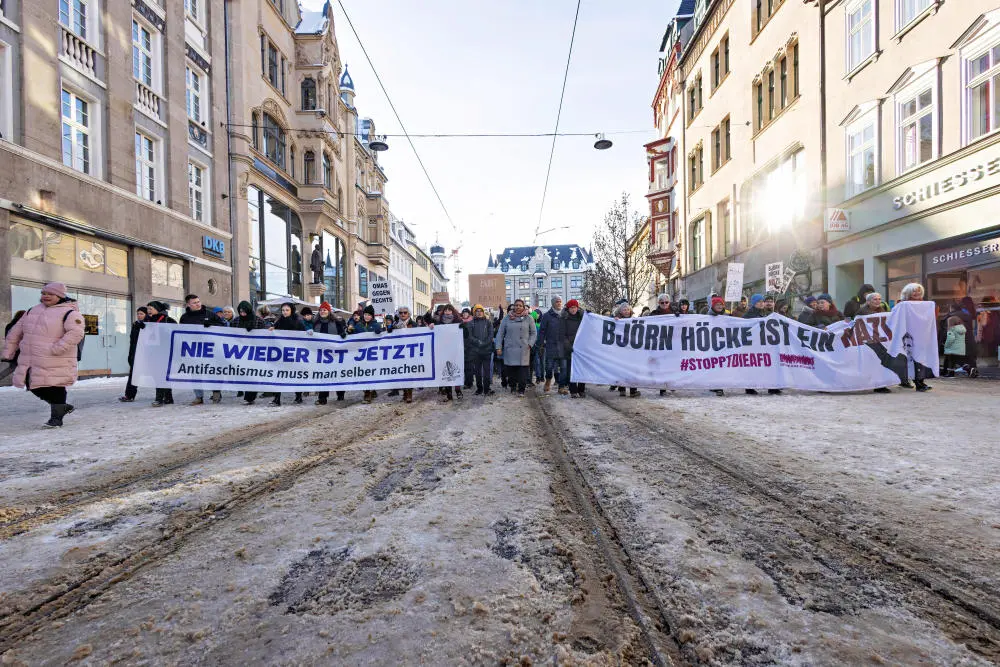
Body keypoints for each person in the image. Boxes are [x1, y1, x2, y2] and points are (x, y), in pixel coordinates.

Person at [2, 283, 85, 428]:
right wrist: (9, 351)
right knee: (32, 384)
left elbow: (76, 333)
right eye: (43, 293)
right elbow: (15, 332)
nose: (45, 296)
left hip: (56, 357)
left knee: (56, 385)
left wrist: (58, 348)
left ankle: (56, 418)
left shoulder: (70, 313)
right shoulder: (32, 310)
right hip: (32, 357)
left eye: (50, 294)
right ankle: (62, 407)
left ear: (60, 296)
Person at [180, 294, 222, 406]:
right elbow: (181, 333)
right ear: (188, 304)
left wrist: (212, 325)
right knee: (195, 372)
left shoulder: (210, 314)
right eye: (194, 303)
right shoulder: (184, 317)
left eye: (198, 301)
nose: (198, 304)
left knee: (212, 371)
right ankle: (199, 397)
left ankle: (216, 393)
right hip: (193, 349)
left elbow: (223, 326)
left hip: (209, 348)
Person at [495, 299, 536, 396]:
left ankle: (521, 389)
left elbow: (534, 333)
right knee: (511, 371)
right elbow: (500, 333)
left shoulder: (529, 318)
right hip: (510, 348)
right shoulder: (507, 318)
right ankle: (513, 386)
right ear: (513, 307)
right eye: (516, 305)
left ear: (523, 307)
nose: (518, 307)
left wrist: (530, 344)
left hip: (524, 348)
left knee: (523, 371)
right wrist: (498, 347)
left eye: (520, 305)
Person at [310, 302, 348, 404]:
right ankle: (322, 398)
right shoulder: (316, 323)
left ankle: (340, 393)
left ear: (329, 311)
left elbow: (342, 333)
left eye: (325, 310)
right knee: (323, 375)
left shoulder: (336, 322)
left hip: (334, 354)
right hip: (321, 355)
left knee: (336, 374)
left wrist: (343, 334)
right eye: (321, 310)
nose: (322, 312)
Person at [897, 283, 932, 392]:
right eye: (914, 291)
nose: (917, 293)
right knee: (912, 360)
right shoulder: (902, 304)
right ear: (908, 292)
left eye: (918, 291)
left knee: (921, 360)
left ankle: (921, 381)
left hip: (922, 336)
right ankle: (917, 382)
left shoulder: (925, 304)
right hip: (908, 337)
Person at [269, 303, 306, 406]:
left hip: (293, 353)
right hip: (281, 353)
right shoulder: (279, 321)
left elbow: (303, 336)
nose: (284, 312)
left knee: (294, 375)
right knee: (278, 375)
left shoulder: (298, 321)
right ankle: (277, 399)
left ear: (291, 311)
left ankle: (298, 396)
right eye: (283, 310)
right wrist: (272, 329)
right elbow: (274, 333)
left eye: (287, 310)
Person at [743, 295, 780, 395]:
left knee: (768, 365)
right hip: (753, 344)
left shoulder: (765, 313)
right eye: (758, 302)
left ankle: (772, 386)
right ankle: (749, 387)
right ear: (754, 303)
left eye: (762, 301)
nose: (761, 303)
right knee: (753, 366)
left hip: (764, 343)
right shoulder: (749, 314)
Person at [146, 302, 176, 406]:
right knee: (158, 375)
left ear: (157, 309)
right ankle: (168, 398)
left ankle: (159, 399)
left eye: (151, 308)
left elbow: (175, 335)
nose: (149, 310)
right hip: (152, 353)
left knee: (160, 375)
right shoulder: (147, 321)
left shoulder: (169, 321)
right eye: (148, 308)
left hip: (165, 353)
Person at [350, 305, 382, 403]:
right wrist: (348, 331)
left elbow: (381, 336)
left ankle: (368, 394)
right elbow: (353, 334)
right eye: (365, 314)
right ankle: (368, 391)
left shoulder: (376, 325)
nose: (366, 316)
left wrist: (379, 331)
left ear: (372, 316)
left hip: (372, 354)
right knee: (364, 374)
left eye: (368, 315)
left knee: (370, 373)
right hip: (361, 354)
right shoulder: (359, 325)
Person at [539, 297, 568, 394]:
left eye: (560, 301)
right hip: (551, 345)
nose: (559, 303)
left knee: (563, 367)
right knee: (549, 366)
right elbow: (542, 331)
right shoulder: (547, 316)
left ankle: (561, 386)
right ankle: (548, 380)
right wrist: (541, 343)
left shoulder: (565, 315)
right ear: (553, 303)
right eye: (557, 301)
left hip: (563, 346)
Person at [464, 304, 495, 396]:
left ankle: (487, 388)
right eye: (476, 311)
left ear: (483, 312)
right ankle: (479, 388)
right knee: (477, 372)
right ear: (474, 313)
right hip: (475, 352)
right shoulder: (470, 323)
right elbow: (469, 336)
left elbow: (491, 335)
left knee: (486, 371)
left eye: (480, 311)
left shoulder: (488, 322)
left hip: (487, 351)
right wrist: (478, 342)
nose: (479, 313)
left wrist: (484, 343)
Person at [945, 296, 978, 378]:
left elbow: (950, 332)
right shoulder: (968, 316)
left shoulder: (950, 317)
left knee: (953, 358)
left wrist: (945, 342)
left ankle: (951, 373)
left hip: (956, 341)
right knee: (967, 358)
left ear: (951, 308)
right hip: (968, 340)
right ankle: (972, 369)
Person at [119, 306, 147, 402]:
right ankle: (129, 395)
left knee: (155, 375)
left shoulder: (150, 324)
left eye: (141, 314)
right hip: (135, 353)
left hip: (147, 354)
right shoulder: (135, 324)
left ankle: (163, 396)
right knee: (133, 374)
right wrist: (131, 355)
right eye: (138, 314)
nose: (139, 316)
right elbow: (132, 341)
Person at [614, 302, 641, 398]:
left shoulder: (634, 319)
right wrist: (615, 320)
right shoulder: (617, 319)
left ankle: (633, 391)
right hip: (621, 348)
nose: (626, 311)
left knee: (632, 369)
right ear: (620, 311)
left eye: (627, 309)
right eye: (624, 310)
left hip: (632, 348)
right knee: (622, 369)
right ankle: (622, 389)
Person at [563, 299, 586, 398]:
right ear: (568, 309)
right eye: (571, 308)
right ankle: (573, 390)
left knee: (582, 369)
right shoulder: (564, 318)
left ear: (577, 307)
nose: (573, 309)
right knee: (571, 369)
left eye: (575, 307)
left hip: (582, 347)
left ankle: (581, 389)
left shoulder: (583, 317)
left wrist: (588, 314)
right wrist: (567, 345)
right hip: (570, 348)